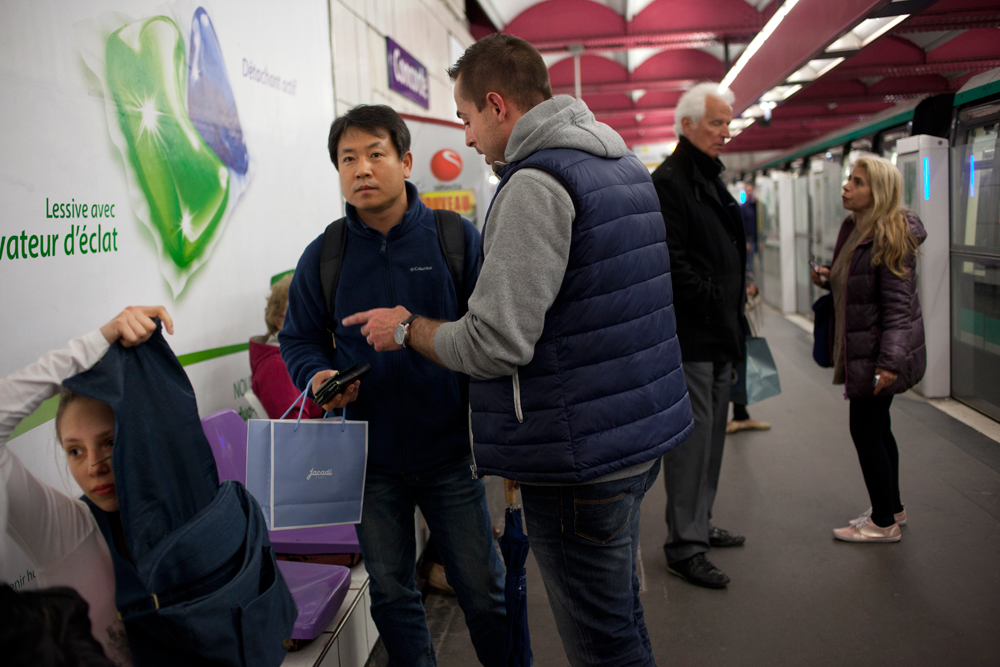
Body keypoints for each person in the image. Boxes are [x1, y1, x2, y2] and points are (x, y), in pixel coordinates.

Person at [344, 34, 693, 667]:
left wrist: (405, 329)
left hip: (578, 458)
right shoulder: (620, 166)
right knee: (621, 623)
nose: (469, 138)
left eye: (467, 118)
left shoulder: (537, 185)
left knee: (599, 642)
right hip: (632, 436)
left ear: (498, 105)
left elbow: (495, 341)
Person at [279, 104, 506, 667]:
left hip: (451, 452)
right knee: (391, 591)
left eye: (375, 154)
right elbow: (298, 340)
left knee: (484, 591)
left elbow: (491, 333)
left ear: (405, 161)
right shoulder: (325, 255)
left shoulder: (454, 240)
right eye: (347, 159)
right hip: (368, 459)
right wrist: (320, 376)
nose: (361, 169)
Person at [1, 305, 174, 667]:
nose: (94, 467)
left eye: (109, 442)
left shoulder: (180, 514)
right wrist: (94, 343)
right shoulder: (65, 532)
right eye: (75, 451)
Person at [650, 82, 747, 589]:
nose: (725, 133)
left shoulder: (706, 177)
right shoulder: (672, 181)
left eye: (728, 122)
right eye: (717, 122)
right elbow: (672, 260)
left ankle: (699, 522)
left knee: (712, 441)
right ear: (686, 125)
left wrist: (734, 288)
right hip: (694, 336)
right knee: (691, 445)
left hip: (721, 332)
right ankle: (684, 545)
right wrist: (715, 294)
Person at [811, 155, 925, 543]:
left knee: (865, 430)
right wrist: (830, 279)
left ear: (877, 192)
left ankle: (882, 523)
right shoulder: (854, 228)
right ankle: (892, 507)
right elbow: (859, 286)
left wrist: (890, 365)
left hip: (876, 355)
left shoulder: (890, 236)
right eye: (849, 180)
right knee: (880, 428)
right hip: (865, 349)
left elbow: (899, 309)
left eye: (857, 182)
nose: (847, 187)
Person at [249, 274, 322, 419]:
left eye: (308, 312)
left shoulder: (289, 356)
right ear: (277, 320)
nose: (305, 320)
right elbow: (295, 429)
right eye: (294, 314)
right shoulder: (277, 366)